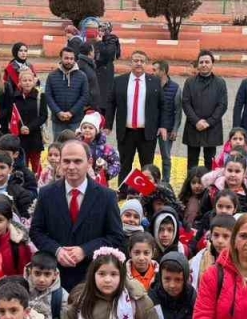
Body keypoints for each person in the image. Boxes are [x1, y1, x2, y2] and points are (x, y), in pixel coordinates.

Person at [28, 140, 125, 290]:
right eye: (66, 161)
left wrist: (84, 250)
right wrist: (57, 250)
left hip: (91, 277)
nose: (71, 167)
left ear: (89, 162)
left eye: (77, 161)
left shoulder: (107, 197)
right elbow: (36, 231)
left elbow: (116, 236)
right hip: (54, 278)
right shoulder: (47, 194)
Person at [109, 50, 162, 183]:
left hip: (147, 132)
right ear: (130, 63)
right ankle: (123, 192)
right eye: (136, 60)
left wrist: (163, 126)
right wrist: (107, 125)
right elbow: (111, 104)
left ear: (146, 64)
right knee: (124, 164)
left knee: (147, 166)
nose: (139, 63)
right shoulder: (119, 81)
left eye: (142, 61)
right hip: (126, 132)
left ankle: (144, 194)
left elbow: (163, 105)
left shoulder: (155, 82)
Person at [181, 51, 228, 170]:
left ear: (212, 64)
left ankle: (209, 187)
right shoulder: (190, 82)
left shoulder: (220, 82)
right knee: (192, 162)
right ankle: (190, 187)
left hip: (212, 127)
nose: (204, 64)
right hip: (193, 126)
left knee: (210, 161)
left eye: (207, 62)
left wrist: (209, 122)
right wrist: (196, 121)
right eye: (201, 62)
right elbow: (186, 103)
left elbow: (222, 105)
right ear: (197, 65)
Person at [45, 47, 89, 138]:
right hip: (58, 120)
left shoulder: (82, 76)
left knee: (75, 146)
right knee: (58, 147)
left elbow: (84, 96)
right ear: (61, 58)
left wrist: (71, 112)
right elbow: (48, 96)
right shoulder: (52, 76)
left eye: (71, 58)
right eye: (66, 58)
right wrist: (58, 112)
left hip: (75, 120)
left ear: (75, 60)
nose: (69, 61)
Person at [154, 60, 182, 185]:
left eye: (155, 70)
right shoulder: (151, 84)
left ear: (163, 71)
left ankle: (166, 182)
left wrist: (175, 129)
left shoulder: (175, 88)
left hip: (168, 128)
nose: (152, 72)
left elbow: (178, 111)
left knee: (166, 157)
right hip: (152, 127)